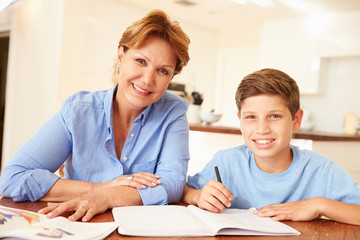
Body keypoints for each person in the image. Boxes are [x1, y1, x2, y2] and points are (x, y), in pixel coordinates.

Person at [0, 9, 191, 222]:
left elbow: (172, 183)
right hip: (77, 226)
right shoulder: (79, 111)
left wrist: (108, 197)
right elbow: (12, 178)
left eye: (163, 71)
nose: (147, 79)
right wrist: (101, 188)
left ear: (171, 76)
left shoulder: (174, 111)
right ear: (121, 56)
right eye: (140, 61)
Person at [182, 68, 360, 225]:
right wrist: (196, 196)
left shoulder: (321, 171)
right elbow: (181, 190)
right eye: (251, 117)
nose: (262, 129)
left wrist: (319, 205)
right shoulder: (226, 162)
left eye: (274, 116)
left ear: (296, 120)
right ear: (240, 120)